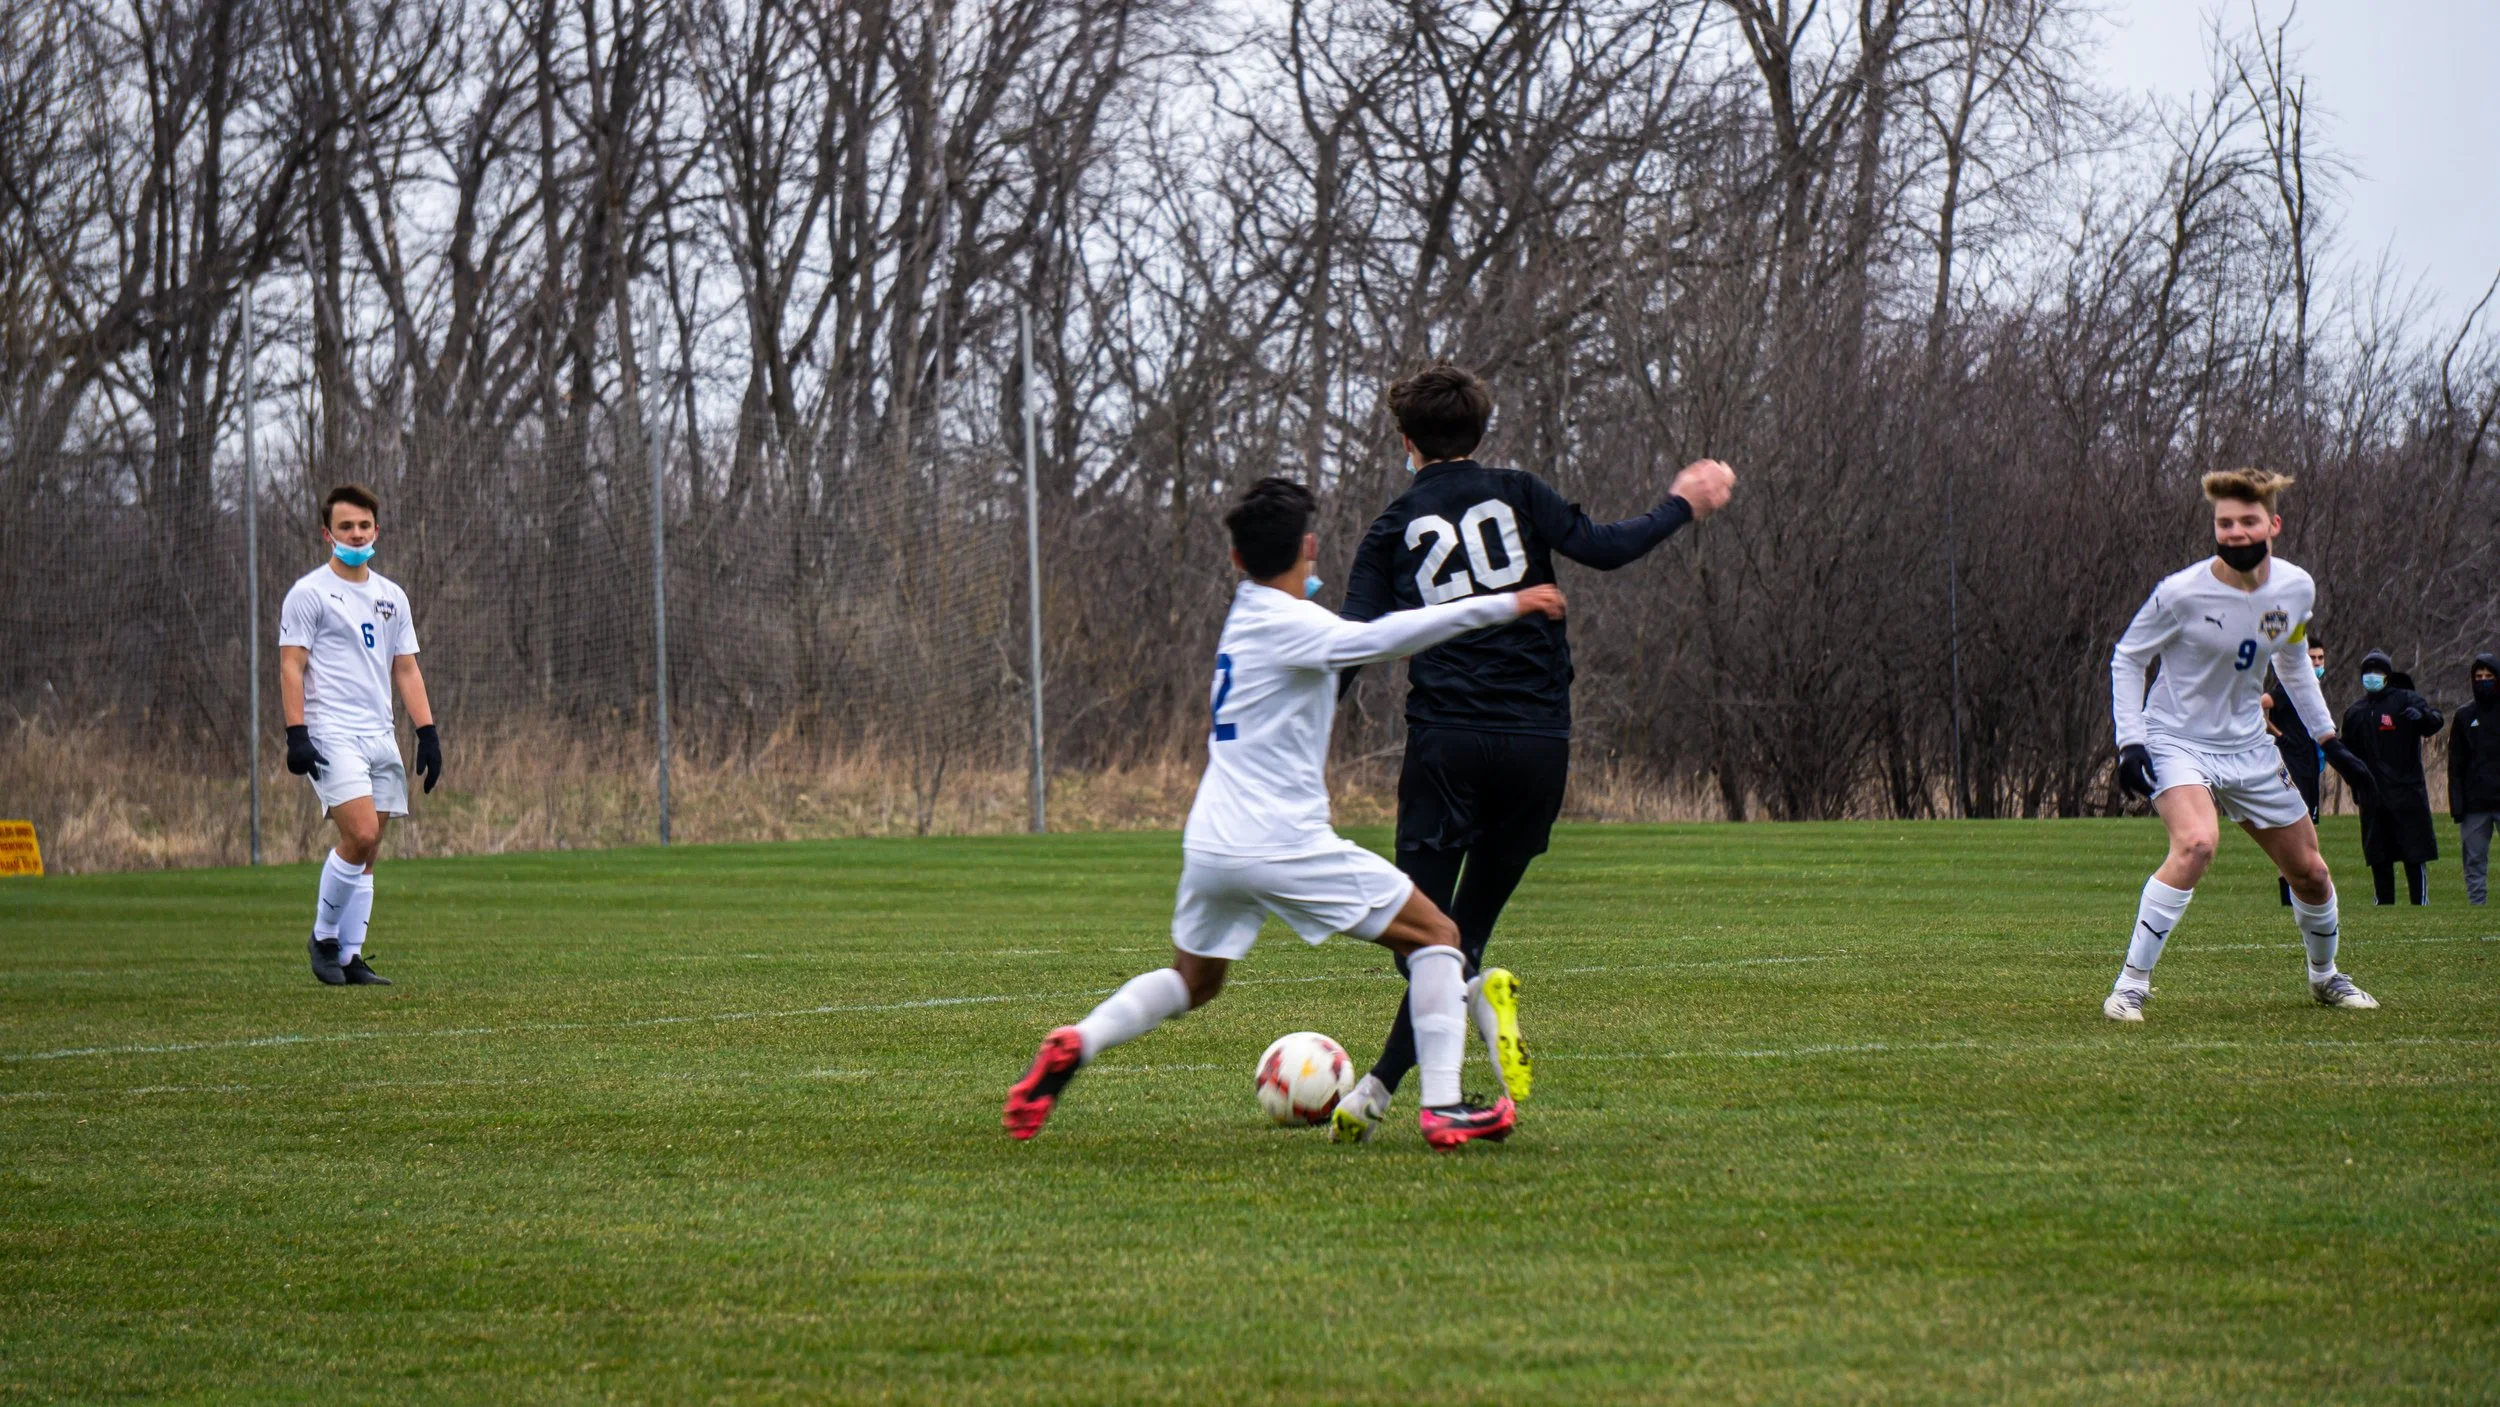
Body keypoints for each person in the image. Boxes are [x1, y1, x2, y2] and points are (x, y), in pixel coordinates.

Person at [1003, 477, 1568, 1149]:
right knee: (1440, 937)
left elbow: (1320, 618)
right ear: (1308, 546)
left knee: (1194, 979)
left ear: (1237, 561)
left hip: (1212, 841)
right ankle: (1444, 1107)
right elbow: (1391, 635)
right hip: (1281, 841)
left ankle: (1078, 1040)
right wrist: (1504, 604)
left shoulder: (1245, 615)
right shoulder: (1298, 625)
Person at [1327, 363, 1735, 1142]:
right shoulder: (1520, 492)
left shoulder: (1391, 527)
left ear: (1406, 442)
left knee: (1420, 935)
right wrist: (1684, 500)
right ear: (1481, 430)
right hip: (1539, 744)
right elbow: (1607, 547)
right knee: (1462, 926)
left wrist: (1288, 740)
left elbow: (1348, 652)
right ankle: (1378, 1088)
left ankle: (1467, 1004)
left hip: (1447, 742)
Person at [2105, 468, 2380, 1022]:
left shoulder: (2296, 588)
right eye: (2224, 522)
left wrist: (2332, 740)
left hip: (2251, 749)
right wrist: (2130, 743)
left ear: (2272, 524)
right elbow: (2128, 658)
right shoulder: (2181, 593)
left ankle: (2325, 978)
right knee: (2197, 844)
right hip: (2176, 739)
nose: (2233, 532)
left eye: (2246, 521)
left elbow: (2294, 661)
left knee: (2312, 873)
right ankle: (2130, 985)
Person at [278, 485, 442, 986]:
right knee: (361, 833)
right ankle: (324, 938)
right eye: (345, 526)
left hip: (379, 733)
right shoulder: (309, 593)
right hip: (331, 733)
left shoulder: (391, 596)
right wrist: (297, 733)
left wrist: (427, 732)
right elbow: (291, 666)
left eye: (363, 526)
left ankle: (351, 956)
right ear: (328, 533)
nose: (355, 534)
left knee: (371, 850)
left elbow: (406, 670)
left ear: (376, 530)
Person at [2341, 649, 2443, 905]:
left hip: (2407, 792)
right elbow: (2346, 756)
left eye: (2377, 672)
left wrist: (2424, 718)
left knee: (2414, 853)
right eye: (2367, 673)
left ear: (2387, 675)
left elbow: (2435, 722)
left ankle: (2420, 903)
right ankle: (2384, 905)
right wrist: (2356, 787)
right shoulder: (2356, 712)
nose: (2371, 677)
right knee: (2379, 855)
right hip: (2373, 797)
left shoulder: (2406, 700)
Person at [2261, 641, 2329, 905]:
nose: (2317, 664)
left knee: (2306, 833)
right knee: (2296, 835)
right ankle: (2290, 898)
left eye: (2321, 659)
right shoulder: (2288, 688)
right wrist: (2278, 735)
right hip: (2294, 766)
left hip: (2309, 765)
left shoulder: (2311, 690)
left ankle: (2298, 894)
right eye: (2312, 658)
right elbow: (2261, 702)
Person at [2451, 653, 2500, 906]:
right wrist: (2457, 805)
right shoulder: (2464, 716)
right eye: (2479, 677)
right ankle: (2477, 909)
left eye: (2489, 677)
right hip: (2474, 805)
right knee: (2474, 861)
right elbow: (2455, 764)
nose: (2483, 681)